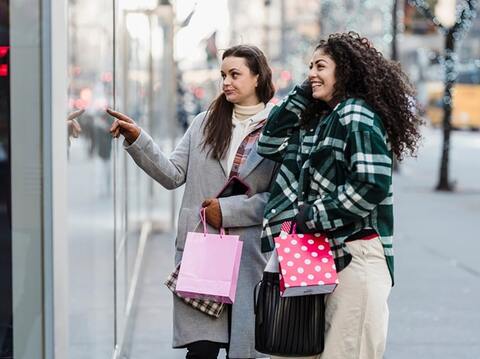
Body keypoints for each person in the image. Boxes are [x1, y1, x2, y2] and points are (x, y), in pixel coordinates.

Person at [257, 32, 423, 359]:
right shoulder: (321, 120)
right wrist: (304, 92)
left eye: (321, 66)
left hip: (355, 253)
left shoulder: (355, 113)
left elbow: (371, 184)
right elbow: (269, 143)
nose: (311, 73)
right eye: (309, 67)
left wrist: (313, 215)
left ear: (344, 70)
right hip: (322, 254)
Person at [107, 44, 276, 359]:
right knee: (200, 351)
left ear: (257, 78)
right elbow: (171, 175)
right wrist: (137, 138)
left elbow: (280, 199)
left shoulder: (278, 130)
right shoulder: (204, 122)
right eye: (223, 74)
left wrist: (226, 211)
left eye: (235, 74)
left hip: (251, 257)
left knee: (246, 350)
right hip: (204, 250)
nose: (226, 81)